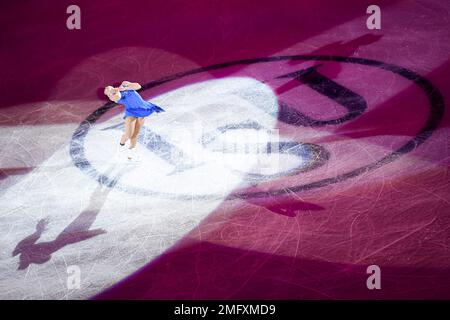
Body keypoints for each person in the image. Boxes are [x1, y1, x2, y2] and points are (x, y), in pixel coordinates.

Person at [104, 81, 165, 161]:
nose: (110, 91)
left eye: (109, 89)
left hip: (143, 109)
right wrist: (114, 93)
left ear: (112, 86)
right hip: (131, 112)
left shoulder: (124, 84)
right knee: (128, 134)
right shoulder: (114, 97)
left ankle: (131, 153)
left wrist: (125, 87)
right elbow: (116, 97)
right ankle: (120, 147)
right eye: (108, 93)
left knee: (135, 134)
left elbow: (138, 86)